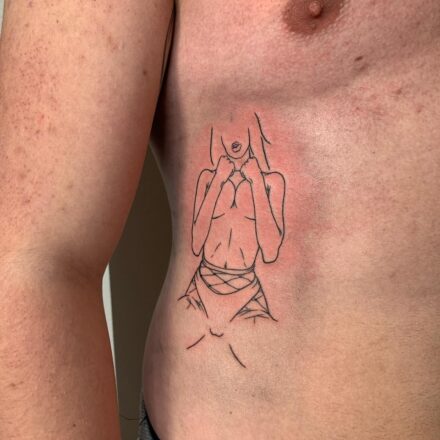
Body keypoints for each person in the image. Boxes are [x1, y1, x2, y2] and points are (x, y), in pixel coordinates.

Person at [1, 1, 439, 440]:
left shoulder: (268, 183)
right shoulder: (219, 178)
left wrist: (259, 189)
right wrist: (222, 186)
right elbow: (35, 262)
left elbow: (271, 246)